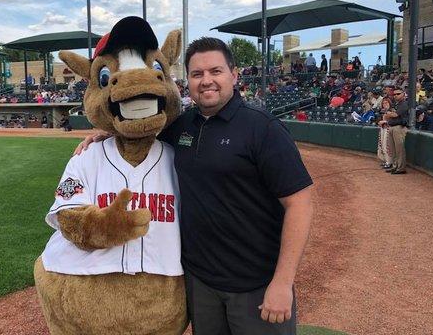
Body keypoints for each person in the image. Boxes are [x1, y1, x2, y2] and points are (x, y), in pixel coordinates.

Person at [77, 37, 313, 335]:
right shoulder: (182, 125)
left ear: (234, 75)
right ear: (187, 80)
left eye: (215, 71)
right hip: (201, 283)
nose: (207, 81)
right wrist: (103, 134)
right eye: (197, 74)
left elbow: (300, 204)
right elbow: (138, 133)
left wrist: (282, 282)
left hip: (255, 283)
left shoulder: (262, 128)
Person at [380, 89, 409, 174]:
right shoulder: (397, 104)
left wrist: (388, 112)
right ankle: (395, 166)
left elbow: (395, 114)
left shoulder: (404, 104)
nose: (396, 95)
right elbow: (390, 115)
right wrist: (389, 113)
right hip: (392, 126)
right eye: (394, 94)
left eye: (398, 94)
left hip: (399, 127)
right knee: (393, 149)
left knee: (399, 149)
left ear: (403, 94)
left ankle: (401, 168)